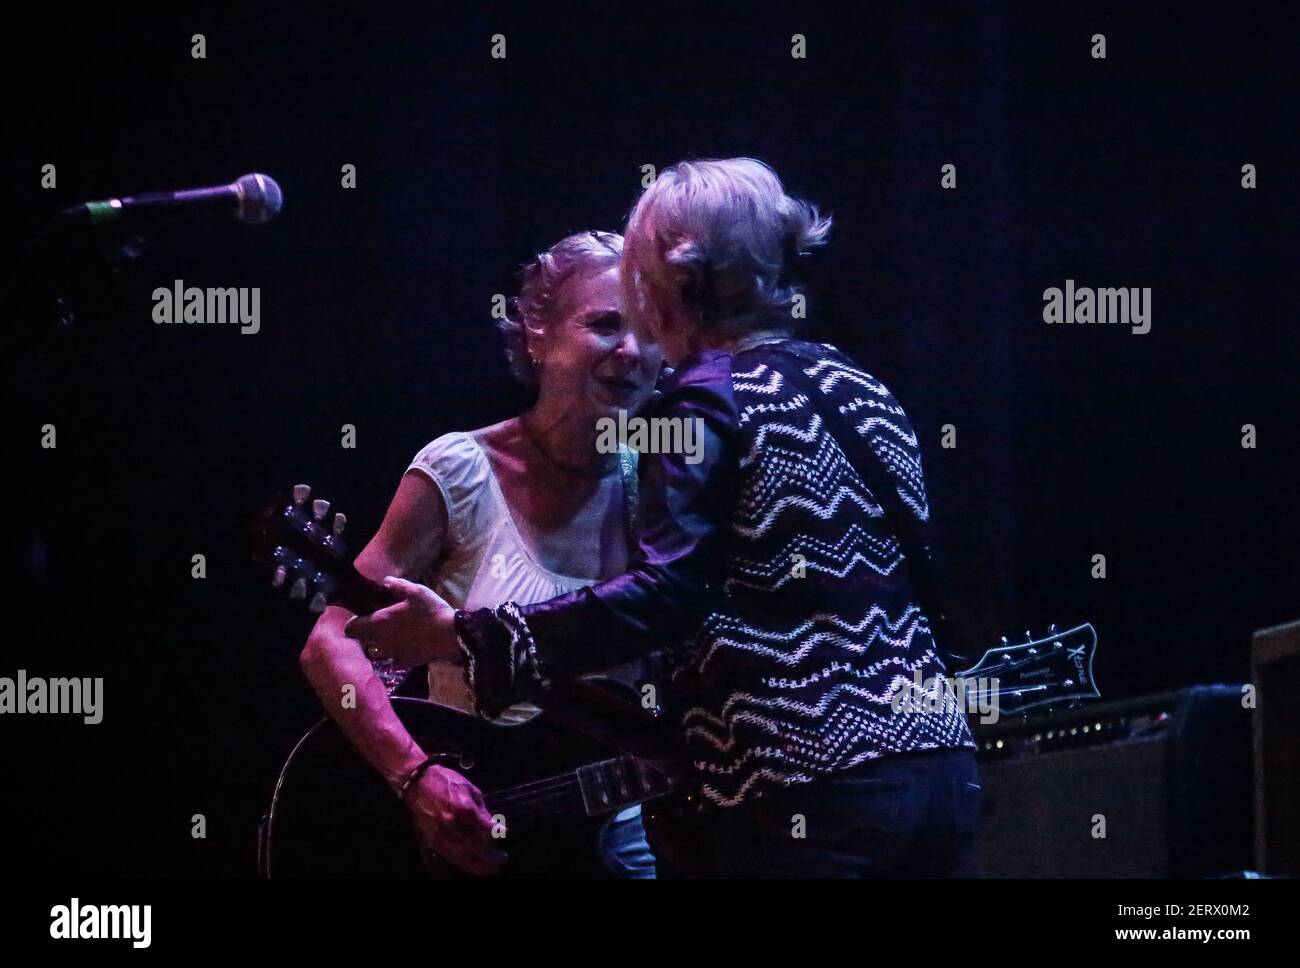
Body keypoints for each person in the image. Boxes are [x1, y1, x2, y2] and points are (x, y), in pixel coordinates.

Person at [349, 159, 981, 878]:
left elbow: (672, 596)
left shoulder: (704, 404)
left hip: (802, 795)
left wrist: (470, 637)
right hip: (941, 775)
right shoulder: (862, 387)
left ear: (666, 286)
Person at [300, 230, 662, 877]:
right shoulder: (459, 470)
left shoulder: (665, 491)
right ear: (536, 335)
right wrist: (414, 777)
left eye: (652, 328)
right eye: (605, 324)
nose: (633, 351)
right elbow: (331, 644)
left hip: (622, 846)